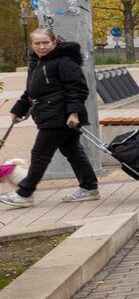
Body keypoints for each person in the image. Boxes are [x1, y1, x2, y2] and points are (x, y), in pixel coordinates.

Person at [0, 28, 99, 208]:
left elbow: (78, 89)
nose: (42, 46)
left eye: (45, 42)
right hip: (50, 113)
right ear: (32, 45)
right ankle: (89, 188)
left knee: (40, 154)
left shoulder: (64, 61)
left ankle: (24, 194)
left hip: (61, 115)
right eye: (37, 43)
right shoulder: (37, 62)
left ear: (54, 42)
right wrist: (19, 109)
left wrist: (74, 113)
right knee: (73, 151)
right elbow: (31, 91)